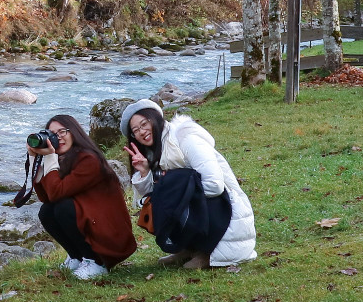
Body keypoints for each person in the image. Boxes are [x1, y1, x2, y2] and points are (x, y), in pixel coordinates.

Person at [121, 98, 255, 269]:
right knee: (166, 195)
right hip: (204, 203)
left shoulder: (185, 138)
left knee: (177, 186)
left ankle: (207, 252)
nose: (142, 132)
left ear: (155, 118)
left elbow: (214, 185)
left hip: (226, 208)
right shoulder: (156, 150)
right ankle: (188, 248)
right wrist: (145, 171)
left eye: (144, 124)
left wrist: (180, 197)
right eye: (135, 130)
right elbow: (156, 194)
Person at [27, 114, 136, 280]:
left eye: (62, 132)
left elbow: (57, 193)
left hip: (110, 235)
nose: (57, 138)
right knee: (46, 211)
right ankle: (77, 257)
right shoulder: (63, 159)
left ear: (74, 132)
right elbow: (47, 198)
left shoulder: (88, 159)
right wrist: (36, 159)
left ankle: (96, 262)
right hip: (93, 222)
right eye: (52, 134)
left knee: (64, 208)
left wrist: (49, 157)